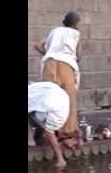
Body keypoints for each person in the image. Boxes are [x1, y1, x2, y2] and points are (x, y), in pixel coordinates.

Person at [34, 12, 83, 149]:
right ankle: (66, 136)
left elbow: (38, 45)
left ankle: (45, 135)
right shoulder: (75, 34)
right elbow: (78, 57)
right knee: (68, 101)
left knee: (48, 100)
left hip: (49, 65)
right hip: (65, 66)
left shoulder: (54, 31)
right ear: (76, 24)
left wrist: (50, 54)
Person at [28, 81, 70, 168]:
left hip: (54, 111)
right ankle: (37, 139)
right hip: (61, 109)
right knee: (38, 113)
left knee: (49, 131)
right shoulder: (37, 87)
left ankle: (60, 159)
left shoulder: (33, 90)